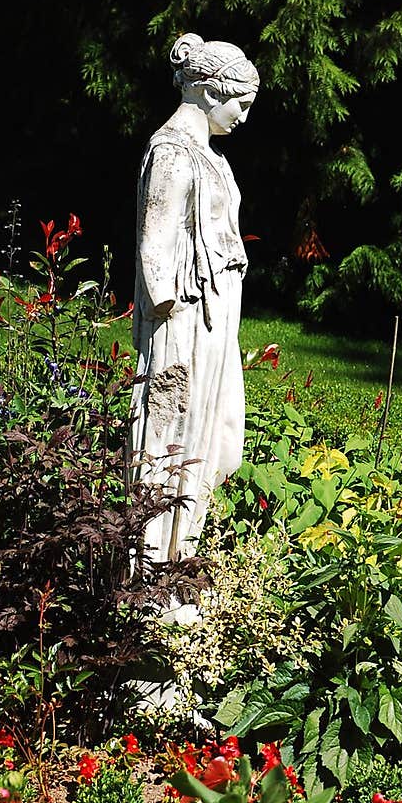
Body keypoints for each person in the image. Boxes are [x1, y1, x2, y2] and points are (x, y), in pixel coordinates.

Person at [129, 31, 259, 567]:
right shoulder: (173, 151)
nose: (244, 118)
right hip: (184, 315)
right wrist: (170, 310)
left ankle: (183, 558)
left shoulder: (210, 154)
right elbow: (153, 242)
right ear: (210, 92)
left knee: (210, 434)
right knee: (173, 430)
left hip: (216, 307)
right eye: (241, 104)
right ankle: (154, 567)